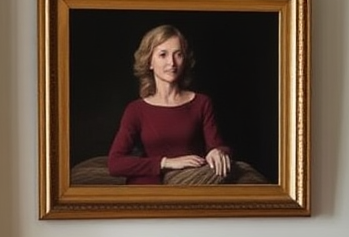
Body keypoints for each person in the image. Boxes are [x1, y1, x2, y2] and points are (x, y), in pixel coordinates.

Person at [107, 25, 258, 186]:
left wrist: (218, 152)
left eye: (178, 55)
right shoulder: (136, 109)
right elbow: (115, 163)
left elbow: (217, 146)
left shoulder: (201, 102)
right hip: (150, 183)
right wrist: (166, 163)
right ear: (149, 62)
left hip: (194, 181)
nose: (171, 63)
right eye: (163, 55)